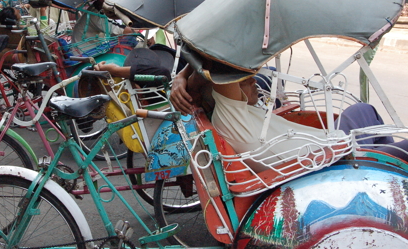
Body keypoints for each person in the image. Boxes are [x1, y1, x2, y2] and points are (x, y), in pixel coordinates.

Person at [171, 63, 408, 171]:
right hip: (332, 159)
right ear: (220, 93)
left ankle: (387, 171)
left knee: (362, 110)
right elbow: (220, 61)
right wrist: (185, 78)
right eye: (243, 81)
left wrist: (182, 77)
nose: (253, 80)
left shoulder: (237, 113)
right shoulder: (230, 119)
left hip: (329, 145)